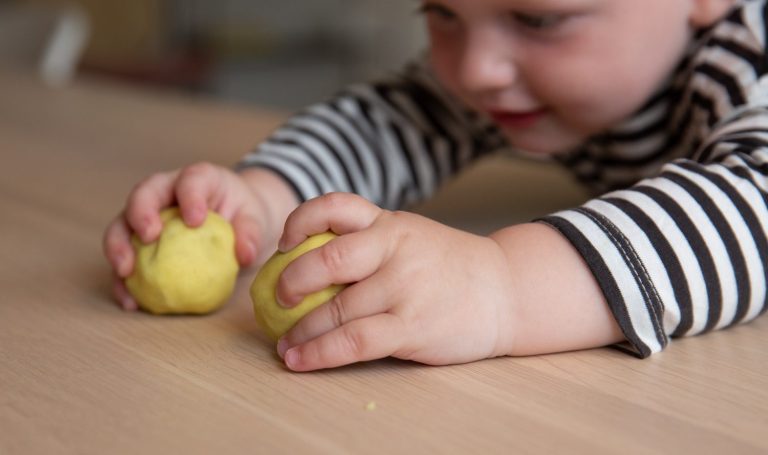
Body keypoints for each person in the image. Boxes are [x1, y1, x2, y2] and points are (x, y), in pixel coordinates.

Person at [104, 0, 768, 372]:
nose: (475, 69)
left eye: (538, 19)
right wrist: (257, 199)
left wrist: (502, 283)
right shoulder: (504, 76)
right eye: (442, 13)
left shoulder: (751, 60)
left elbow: (755, 206)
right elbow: (387, 125)